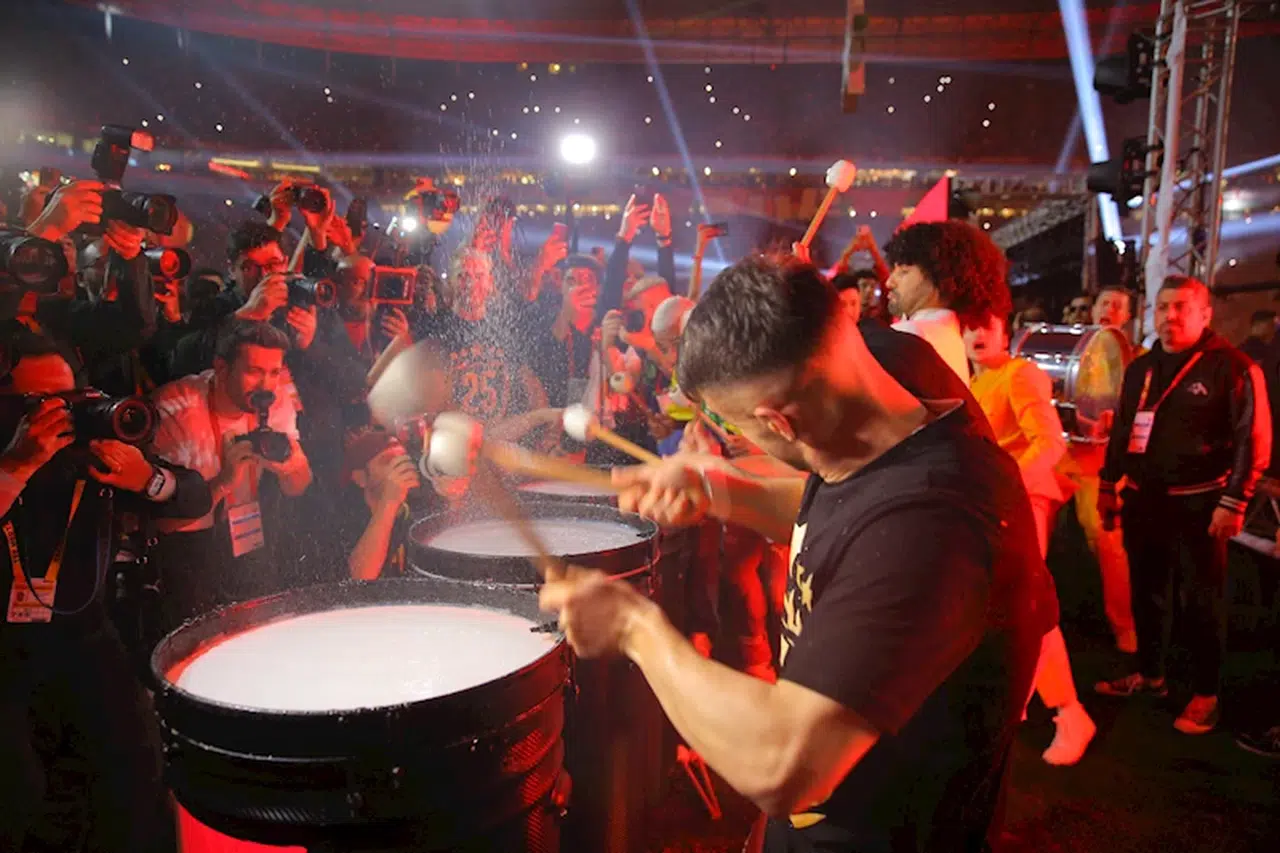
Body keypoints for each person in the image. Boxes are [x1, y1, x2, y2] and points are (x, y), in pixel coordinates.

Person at [540, 255, 1056, 852]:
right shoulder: (886, 368)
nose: (737, 441)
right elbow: (852, 501)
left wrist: (635, 628)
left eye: (738, 428)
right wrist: (721, 490)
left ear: (780, 423)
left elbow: (784, 767)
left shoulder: (936, 528)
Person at [0, 331, 211, 852]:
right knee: (21, 793)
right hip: (5, 649)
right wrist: (16, 467)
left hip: (85, 636)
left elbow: (193, 496)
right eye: (40, 404)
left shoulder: (90, 454)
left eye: (70, 399)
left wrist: (145, 479)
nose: (60, 416)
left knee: (136, 770)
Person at [1095, 275, 1271, 735]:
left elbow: (1253, 440)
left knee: (1201, 600)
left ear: (1205, 315)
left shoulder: (1231, 367)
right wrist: (1108, 484)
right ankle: (1151, 675)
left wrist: (1234, 501)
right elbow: (1123, 430)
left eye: (1181, 307)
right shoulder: (1141, 368)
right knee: (1146, 594)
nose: (1169, 316)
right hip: (1143, 499)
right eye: (1162, 307)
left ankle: (1205, 694)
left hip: (1201, 504)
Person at [965, 312, 1097, 766]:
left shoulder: (1019, 374)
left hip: (1022, 503)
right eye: (969, 324)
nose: (978, 332)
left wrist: (1008, 484)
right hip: (992, 506)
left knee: (1028, 609)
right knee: (1011, 610)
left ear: (1005, 330)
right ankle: (1034, 710)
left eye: (987, 323)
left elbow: (1050, 442)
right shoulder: (971, 380)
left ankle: (1062, 712)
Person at [149, 320, 313, 626]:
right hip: (190, 552)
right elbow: (164, 523)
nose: (266, 386)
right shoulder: (175, 408)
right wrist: (223, 482)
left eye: (274, 372)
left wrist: (291, 468)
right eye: (254, 372)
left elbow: (299, 487)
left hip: (251, 543)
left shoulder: (277, 401)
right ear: (222, 368)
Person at [883, 220, 1011, 385]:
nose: (890, 282)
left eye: (903, 272)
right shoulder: (951, 340)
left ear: (940, 278)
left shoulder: (911, 335)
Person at [340, 426, 421, 581]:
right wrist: (389, 501)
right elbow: (360, 578)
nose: (399, 467)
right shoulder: (346, 520)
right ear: (360, 478)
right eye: (387, 461)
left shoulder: (417, 513)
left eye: (402, 459)